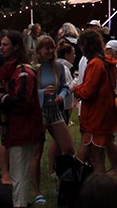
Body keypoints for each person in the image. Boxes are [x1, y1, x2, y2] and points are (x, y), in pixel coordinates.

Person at [0, 31, 44, 208]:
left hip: (23, 129)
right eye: (1, 44)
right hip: (17, 129)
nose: (1, 48)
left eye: (5, 45)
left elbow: (24, 102)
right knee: (17, 173)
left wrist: (3, 98)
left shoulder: (23, 72)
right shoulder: (16, 71)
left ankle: (20, 204)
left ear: (16, 47)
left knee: (19, 174)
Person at [30, 37, 74, 200]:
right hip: (39, 113)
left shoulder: (59, 67)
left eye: (51, 48)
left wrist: (62, 95)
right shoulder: (34, 69)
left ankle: (63, 185)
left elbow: (64, 86)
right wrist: (42, 93)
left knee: (68, 148)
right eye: (46, 48)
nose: (49, 52)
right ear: (39, 51)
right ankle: (37, 191)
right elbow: (28, 92)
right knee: (37, 152)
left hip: (54, 111)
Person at [73, 30, 117, 175]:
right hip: (106, 113)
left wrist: (77, 89)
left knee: (96, 160)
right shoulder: (107, 62)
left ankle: (99, 190)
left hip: (96, 116)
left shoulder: (95, 64)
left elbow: (88, 91)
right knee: (97, 155)